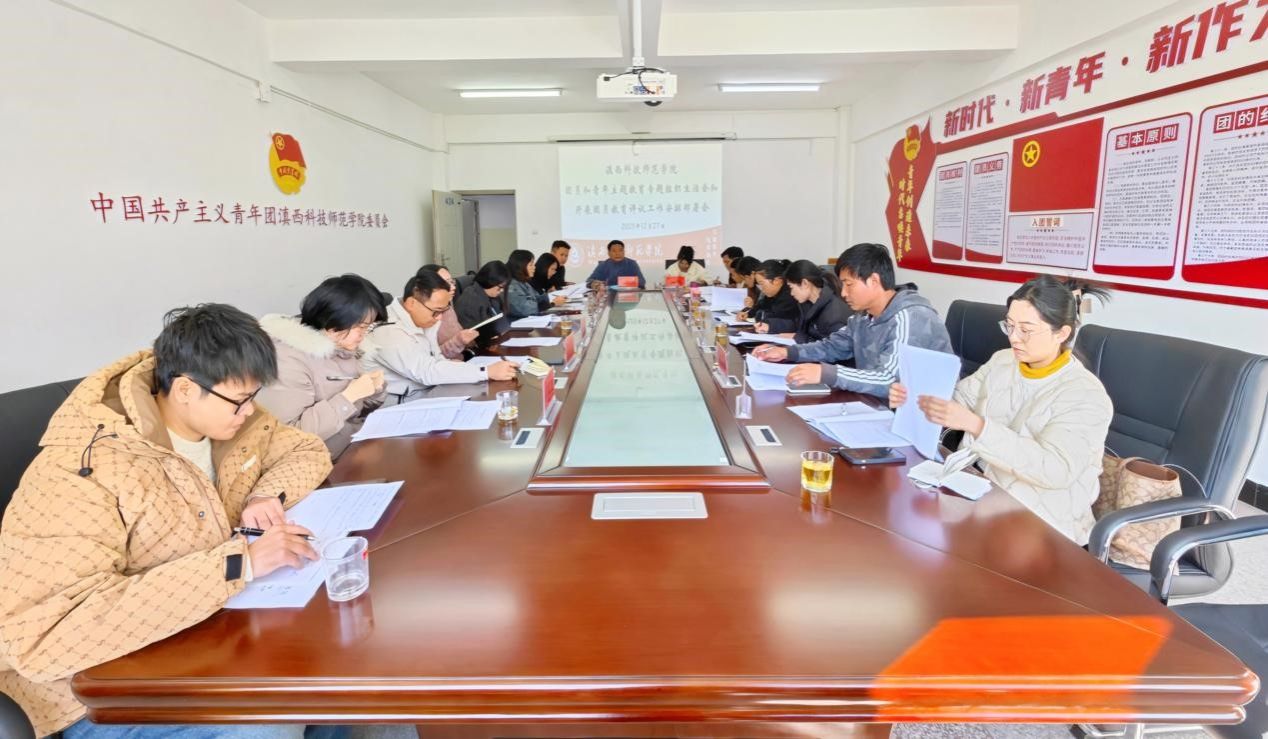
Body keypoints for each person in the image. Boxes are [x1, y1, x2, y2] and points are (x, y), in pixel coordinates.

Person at [0, 304, 333, 739]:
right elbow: (44, 637)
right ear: (185, 389)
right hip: (97, 695)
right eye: (241, 400)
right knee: (270, 721)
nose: (251, 411)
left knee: (324, 672)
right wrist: (239, 564)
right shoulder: (79, 471)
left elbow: (306, 451)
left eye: (254, 396)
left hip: (203, 635)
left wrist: (265, 494)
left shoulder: (232, 421)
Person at [889, 276, 1113, 544]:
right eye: (1010, 325)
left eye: (1026, 330)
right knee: (904, 525)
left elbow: (1055, 469)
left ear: (1061, 333)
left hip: (1043, 523)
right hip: (979, 491)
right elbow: (959, 401)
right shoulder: (1003, 361)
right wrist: (914, 398)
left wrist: (977, 426)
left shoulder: (1085, 394)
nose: (1014, 338)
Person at [753, 243, 952, 398]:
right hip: (877, 405)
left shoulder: (910, 317)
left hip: (920, 417)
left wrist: (826, 373)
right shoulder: (863, 316)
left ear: (874, 281)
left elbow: (890, 379)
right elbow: (833, 346)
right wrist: (787, 352)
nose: (844, 293)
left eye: (849, 284)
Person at [257, 274, 388, 460]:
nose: (364, 335)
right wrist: (348, 397)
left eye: (368, 327)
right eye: (360, 326)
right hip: (318, 463)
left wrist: (375, 391)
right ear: (334, 322)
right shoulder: (289, 360)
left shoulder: (343, 349)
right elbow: (289, 436)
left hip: (350, 447)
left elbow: (358, 412)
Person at [362, 270, 519, 403]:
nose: (439, 318)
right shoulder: (388, 331)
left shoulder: (425, 317)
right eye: (436, 311)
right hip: (400, 405)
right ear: (411, 303)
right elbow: (427, 372)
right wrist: (486, 371)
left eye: (443, 311)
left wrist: (457, 367)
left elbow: (437, 359)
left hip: (428, 392)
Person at [781, 259, 852, 344]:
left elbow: (833, 348)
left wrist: (798, 340)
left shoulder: (834, 314)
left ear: (805, 283)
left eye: (791, 287)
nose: (791, 293)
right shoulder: (808, 304)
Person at [419, 263, 478, 360]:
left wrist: (470, 339)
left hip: (464, 359)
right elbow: (431, 359)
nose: (453, 287)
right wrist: (458, 341)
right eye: (445, 283)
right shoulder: (421, 317)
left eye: (451, 282)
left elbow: (459, 333)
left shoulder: (447, 307)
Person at [455, 260, 512, 345]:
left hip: (493, 341)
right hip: (477, 346)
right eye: (500, 287)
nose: (502, 290)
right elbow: (473, 335)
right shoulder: (470, 300)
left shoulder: (491, 295)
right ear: (490, 281)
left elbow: (499, 318)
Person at [507, 249, 565, 320]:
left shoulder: (524, 282)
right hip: (519, 323)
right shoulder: (511, 285)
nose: (534, 267)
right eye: (531, 265)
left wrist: (549, 297)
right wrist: (552, 304)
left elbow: (536, 298)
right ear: (521, 266)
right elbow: (526, 309)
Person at [748, 259, 799, 334]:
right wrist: (748, 313)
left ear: (776, 281)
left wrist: (760, 314)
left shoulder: (789, 295)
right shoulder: (773, 293)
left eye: (762, 283)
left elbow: (771, 316)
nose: (761, 289)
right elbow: (761, 305)